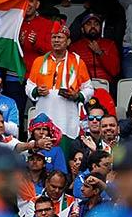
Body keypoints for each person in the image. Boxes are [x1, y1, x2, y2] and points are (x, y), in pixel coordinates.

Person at [26, 22, 94, 155]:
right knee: (43, 153)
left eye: (60, 37)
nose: (56, 40)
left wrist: (77, 96)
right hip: (45, 111)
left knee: (65, 152)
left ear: (68, 41)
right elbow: (29, 86)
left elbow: (89, 89)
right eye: (54, 37)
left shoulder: (78, 61)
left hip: (66, 116)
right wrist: (36, 91)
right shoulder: (39, 61)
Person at [69, 13, 121, 83]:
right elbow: (71, 73)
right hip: (83, 85)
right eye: (89, 24)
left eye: (96, 24)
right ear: (82, 29)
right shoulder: (75, 47)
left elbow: (115, 71)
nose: (93, 26)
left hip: (106, 85)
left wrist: (100, 52)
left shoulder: (110, 44)